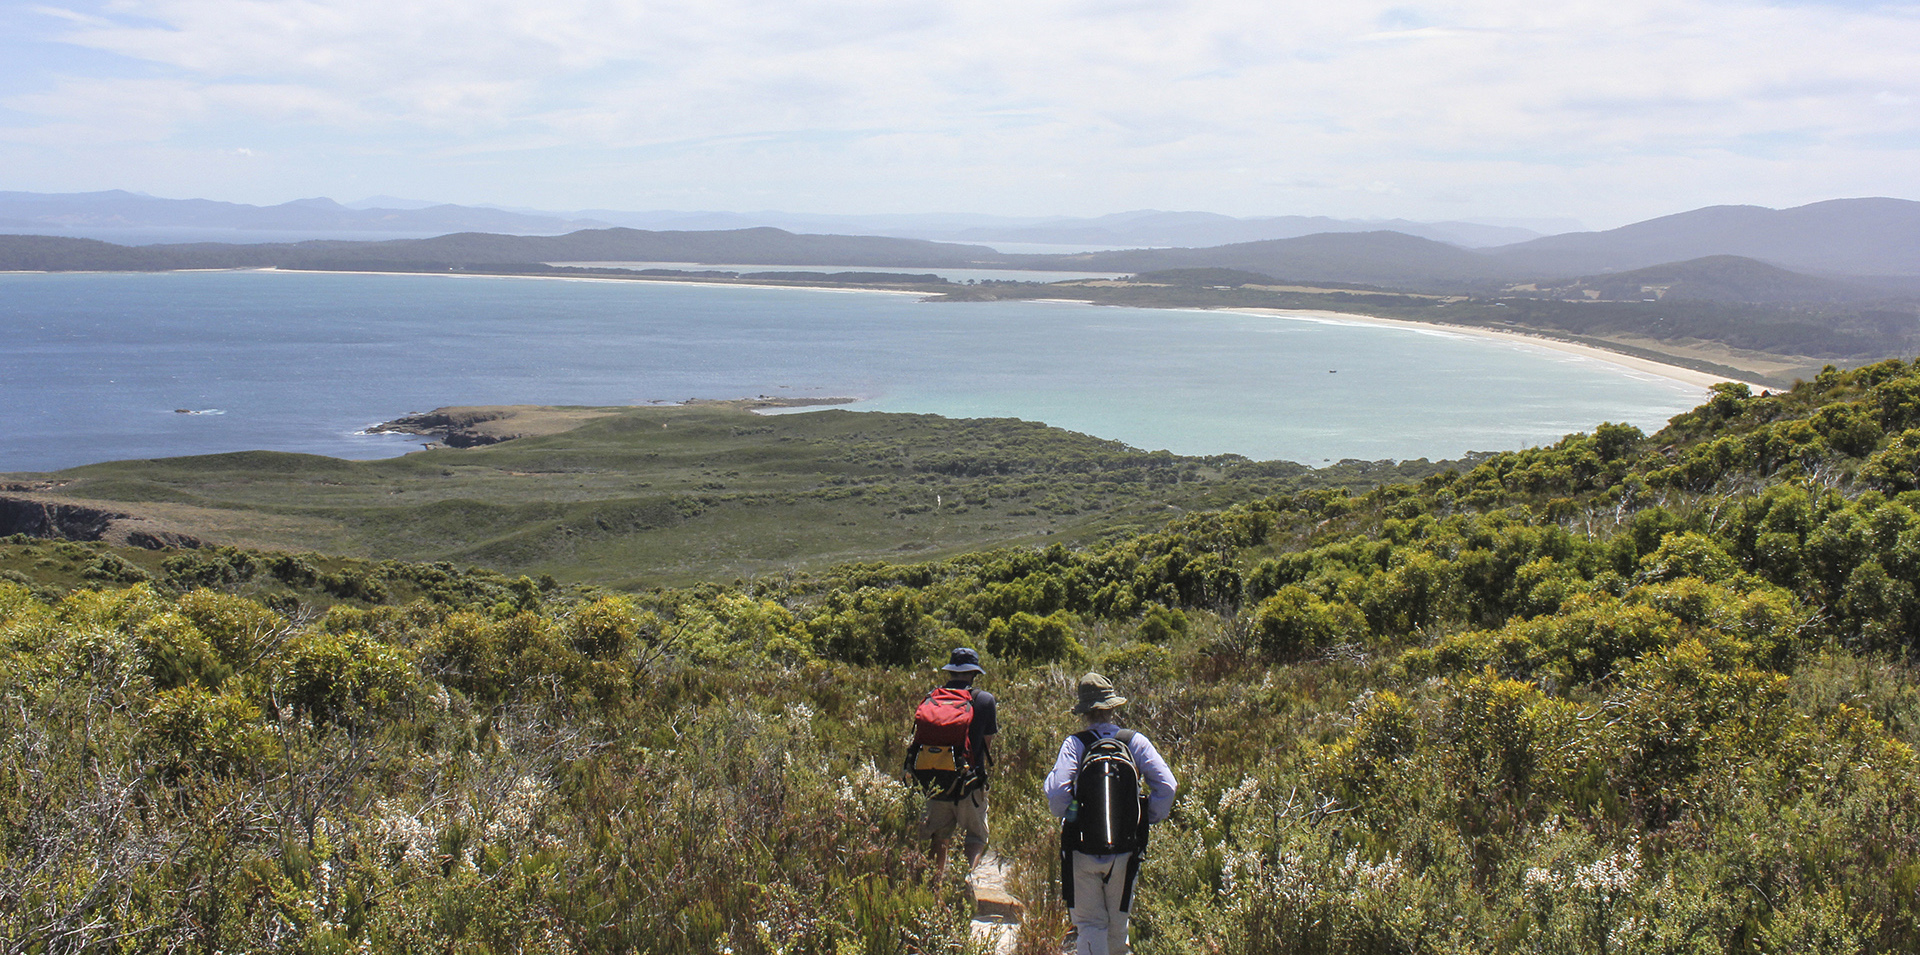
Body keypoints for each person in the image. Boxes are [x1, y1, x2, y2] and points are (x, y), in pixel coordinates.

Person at [1044, 672, 1177, 955]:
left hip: (1082, 849)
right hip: (1125, 850)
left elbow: (1056, 796)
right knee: (1118, 928)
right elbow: (1167, 786)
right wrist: (1143, 817)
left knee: (1091, 925)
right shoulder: (1134, 741)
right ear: (1113, 707)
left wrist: (1072, 813)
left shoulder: (1075, 744)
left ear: (1084, 711)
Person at [916, 647, 998, 878]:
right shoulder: (984, 700)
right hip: (969, 784)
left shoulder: (932, 697)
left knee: (939, 835)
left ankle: (934, 889)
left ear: (951, 671)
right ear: (974, 673)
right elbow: (986, 745)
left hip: (935, 780)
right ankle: (963, 882)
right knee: (975, 837)